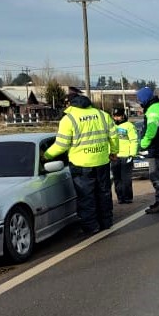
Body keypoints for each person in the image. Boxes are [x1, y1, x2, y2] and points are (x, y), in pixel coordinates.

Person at [43, 88, 119, 234]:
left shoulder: (69, 119)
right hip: (102, 161)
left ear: (70, 104)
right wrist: (114, 152)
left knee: (86, 197)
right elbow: (114, 136)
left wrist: (46, 155)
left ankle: (91, 227)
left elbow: (61, 145)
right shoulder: (102, 115)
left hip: (81, 165)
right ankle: (106, 222)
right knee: (103, 193)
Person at [136, 86, 159, 214]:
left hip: (156, 147)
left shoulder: (153, 109)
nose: (139, 101)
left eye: (140, 98)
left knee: (155, 176)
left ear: (145, 98)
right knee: (157, 175)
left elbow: (151, 129)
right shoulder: (157, 107)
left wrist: (144, 143)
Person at [111, 107, 138, 204]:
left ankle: (127, 197)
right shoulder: (111, 126)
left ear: (123, 116)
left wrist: (132, 154)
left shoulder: (129, 126)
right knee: (117, 179)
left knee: (126, 179)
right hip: (115, 156)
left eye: (118, 116)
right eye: (115, 116)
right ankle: (120, 197)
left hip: (126, 156)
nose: (117, 118)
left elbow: (134, 140)